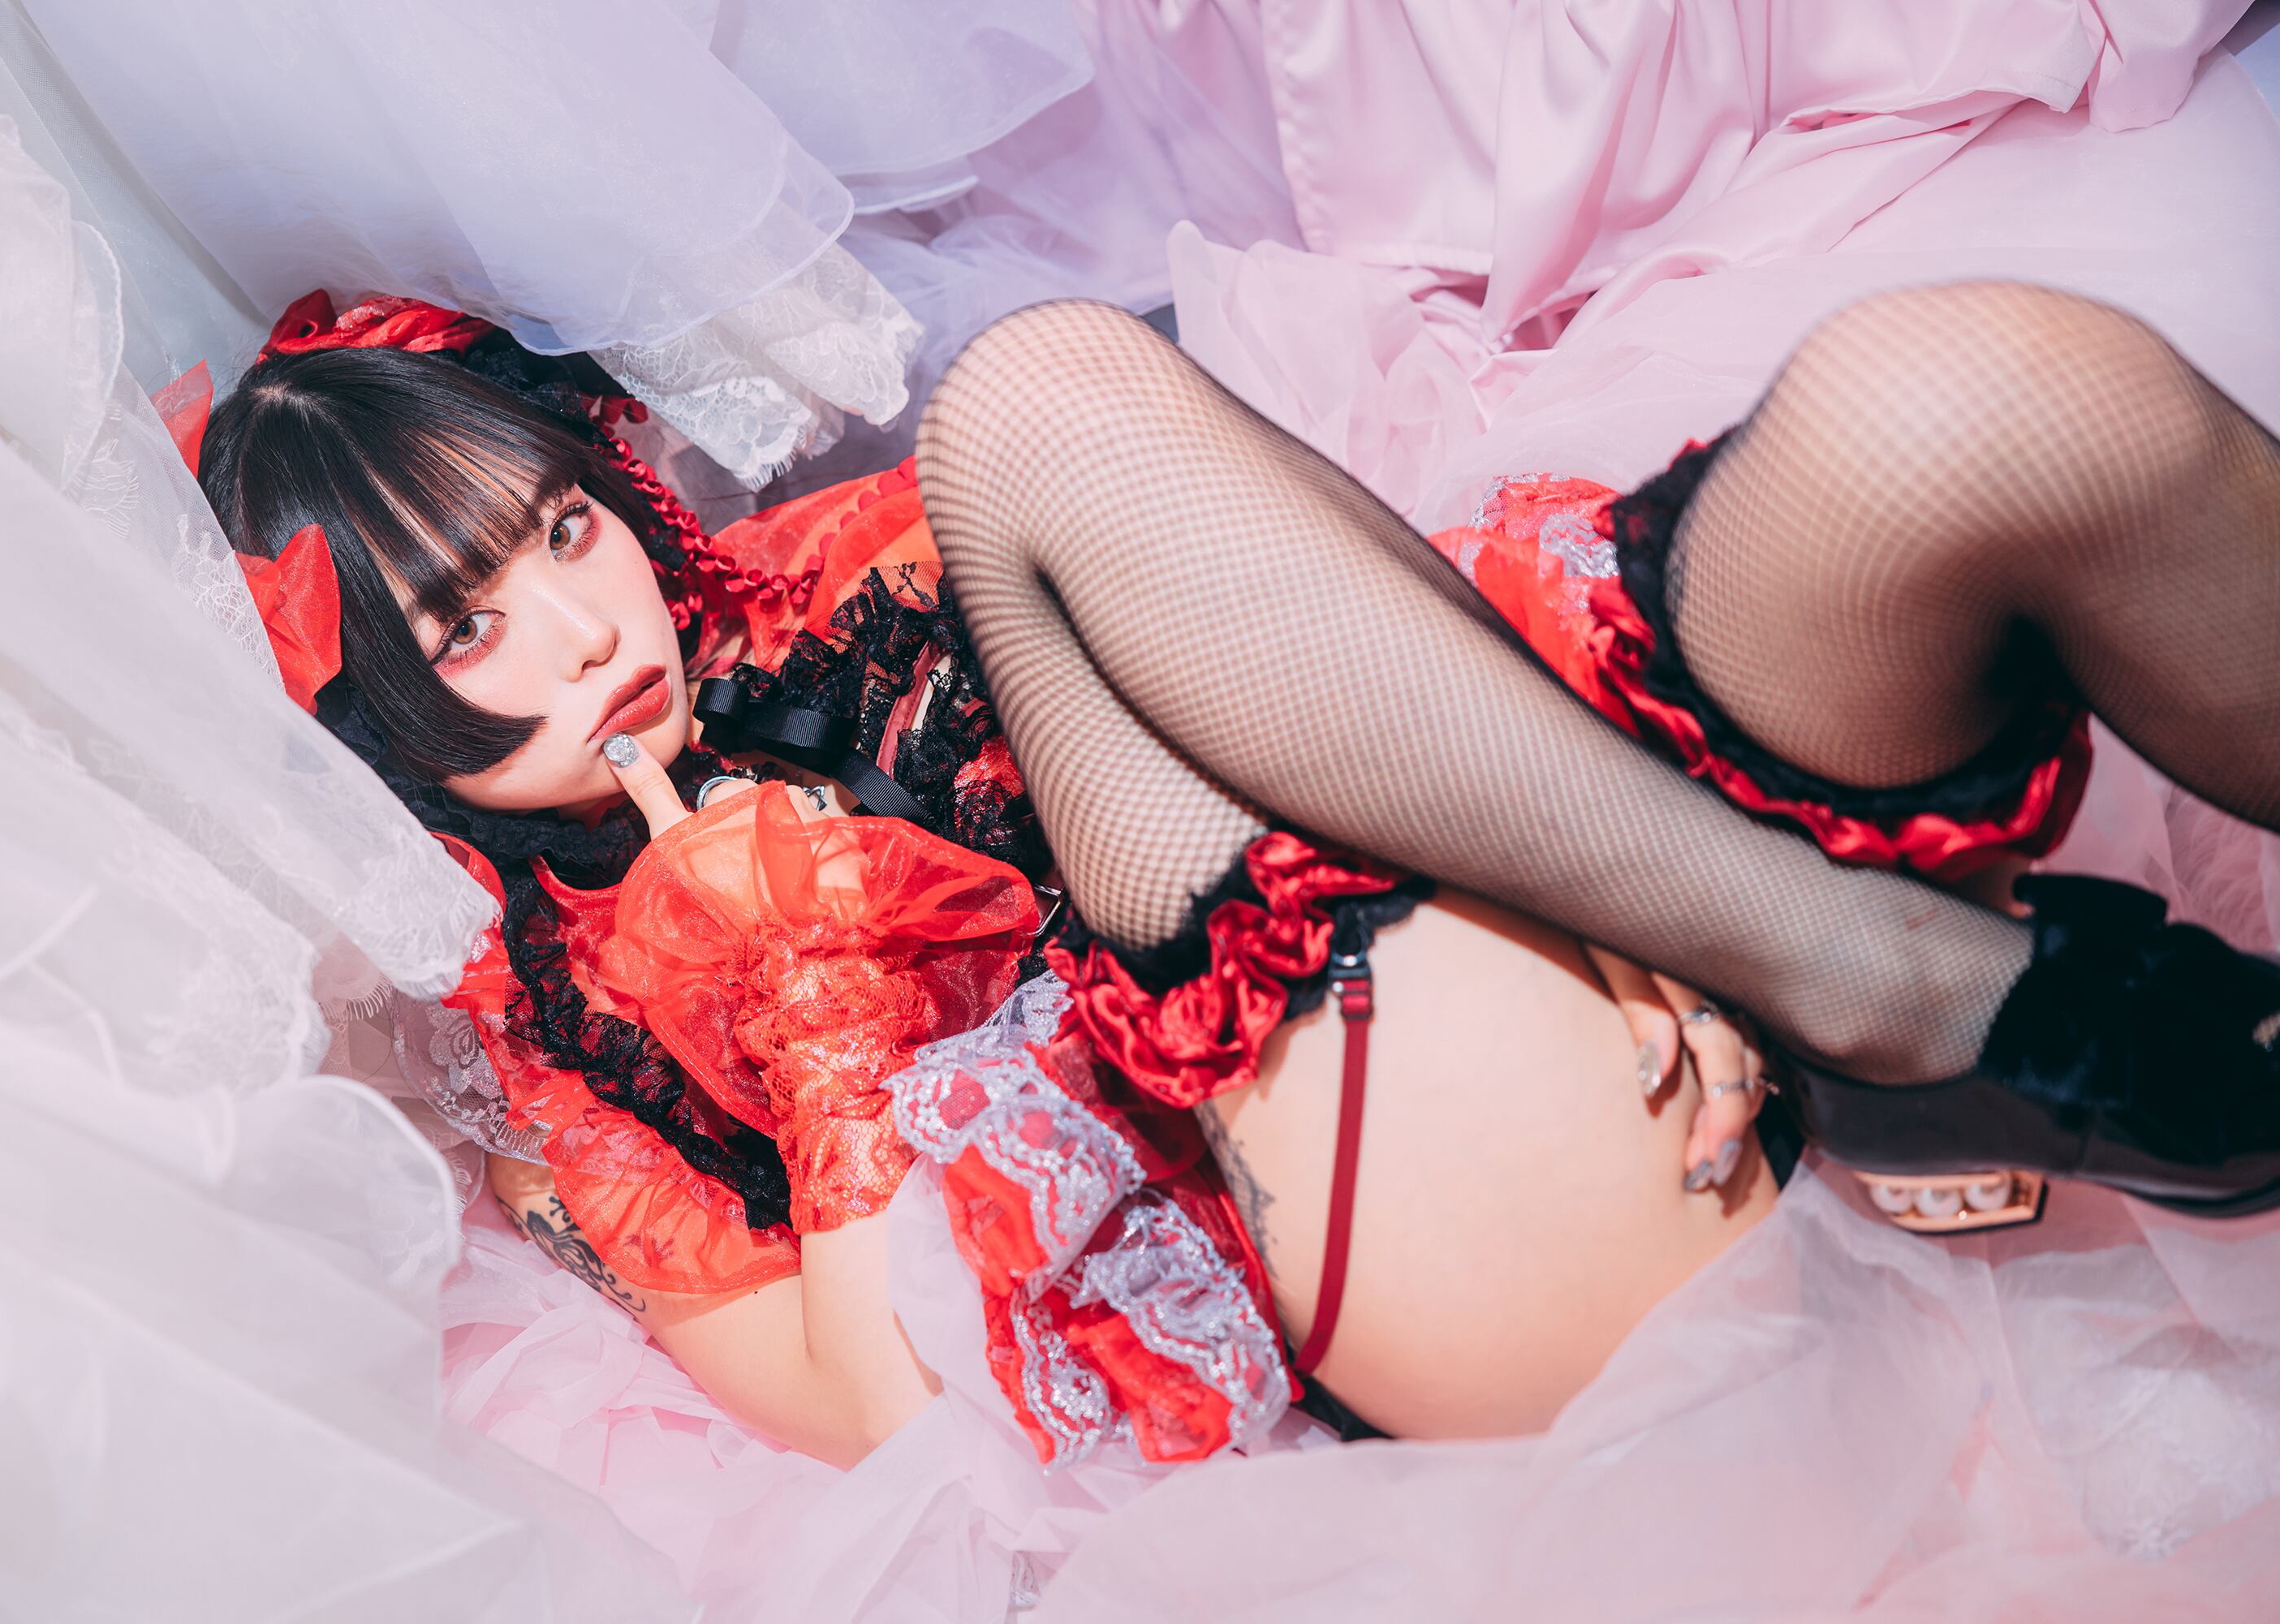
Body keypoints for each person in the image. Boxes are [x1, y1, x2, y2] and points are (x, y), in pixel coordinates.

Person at [192, 281, 2277, 1470]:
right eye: (467, 628)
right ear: (378, 730)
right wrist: (811, 981)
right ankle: (1866, 981)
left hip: (1606, 896)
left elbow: (1346, 653)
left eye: (562, 526)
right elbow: (875, 1424)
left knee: (1984, 402)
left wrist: (1633, 903)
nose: (582, 633)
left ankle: (1834, 967)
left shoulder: (831, 576)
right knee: (1024, 403)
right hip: (1385, 1139)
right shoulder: (547, 1050)